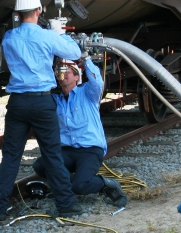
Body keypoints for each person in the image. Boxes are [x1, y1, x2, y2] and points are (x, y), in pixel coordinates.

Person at [0, 0, 83, 222]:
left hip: (18, 103)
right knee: (52, 155)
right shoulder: (46, 36)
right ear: (39, 11)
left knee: (11, 157)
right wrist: (59, 33)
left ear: (18, 14)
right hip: (42, 102)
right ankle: (66, 206)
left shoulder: (9, 37)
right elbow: (74, 53)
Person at [32, 56, 128, 208]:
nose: (63, 74)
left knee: (80, 186)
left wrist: (86, 60)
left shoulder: (88, 93)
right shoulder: (55, 100)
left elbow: (97, 82)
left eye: (68, 71)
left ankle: (106, 184)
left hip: (90, 150)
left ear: (77, 77)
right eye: (60, 71)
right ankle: (65, 186)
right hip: (67, 151)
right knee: (40, 165)